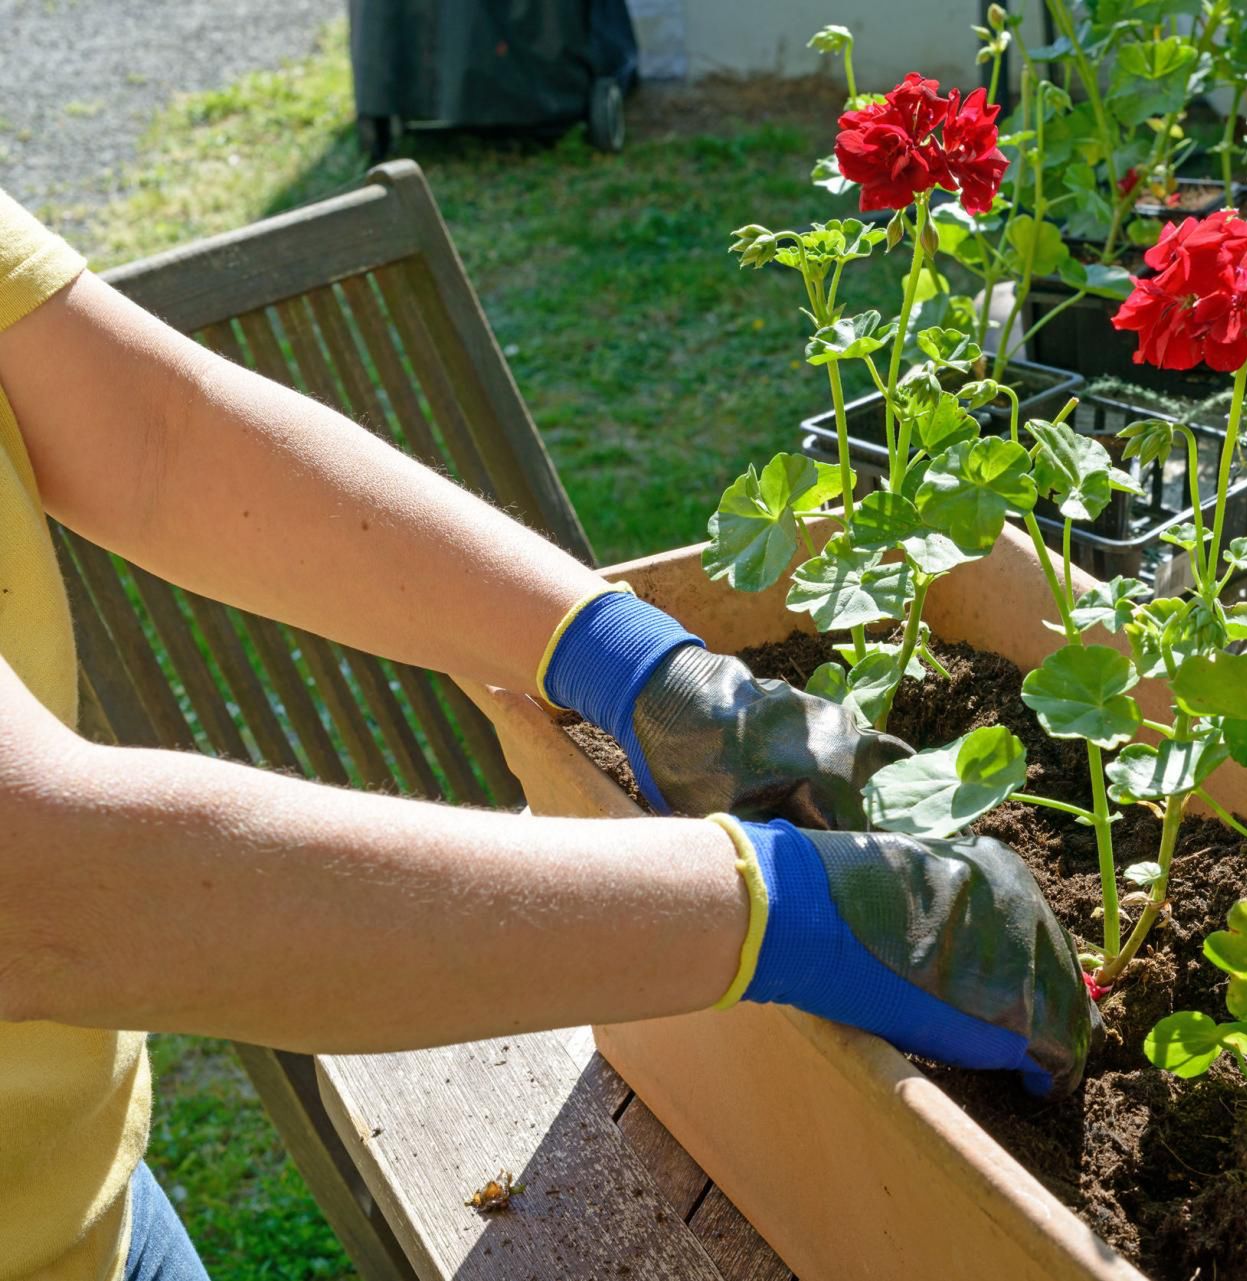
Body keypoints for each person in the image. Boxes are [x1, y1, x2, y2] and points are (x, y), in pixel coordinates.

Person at [0, 190, 1091, 1281]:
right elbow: (43, 889)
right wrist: (789, 911)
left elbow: (156, 435)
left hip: (88, 1202)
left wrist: (650, 676)